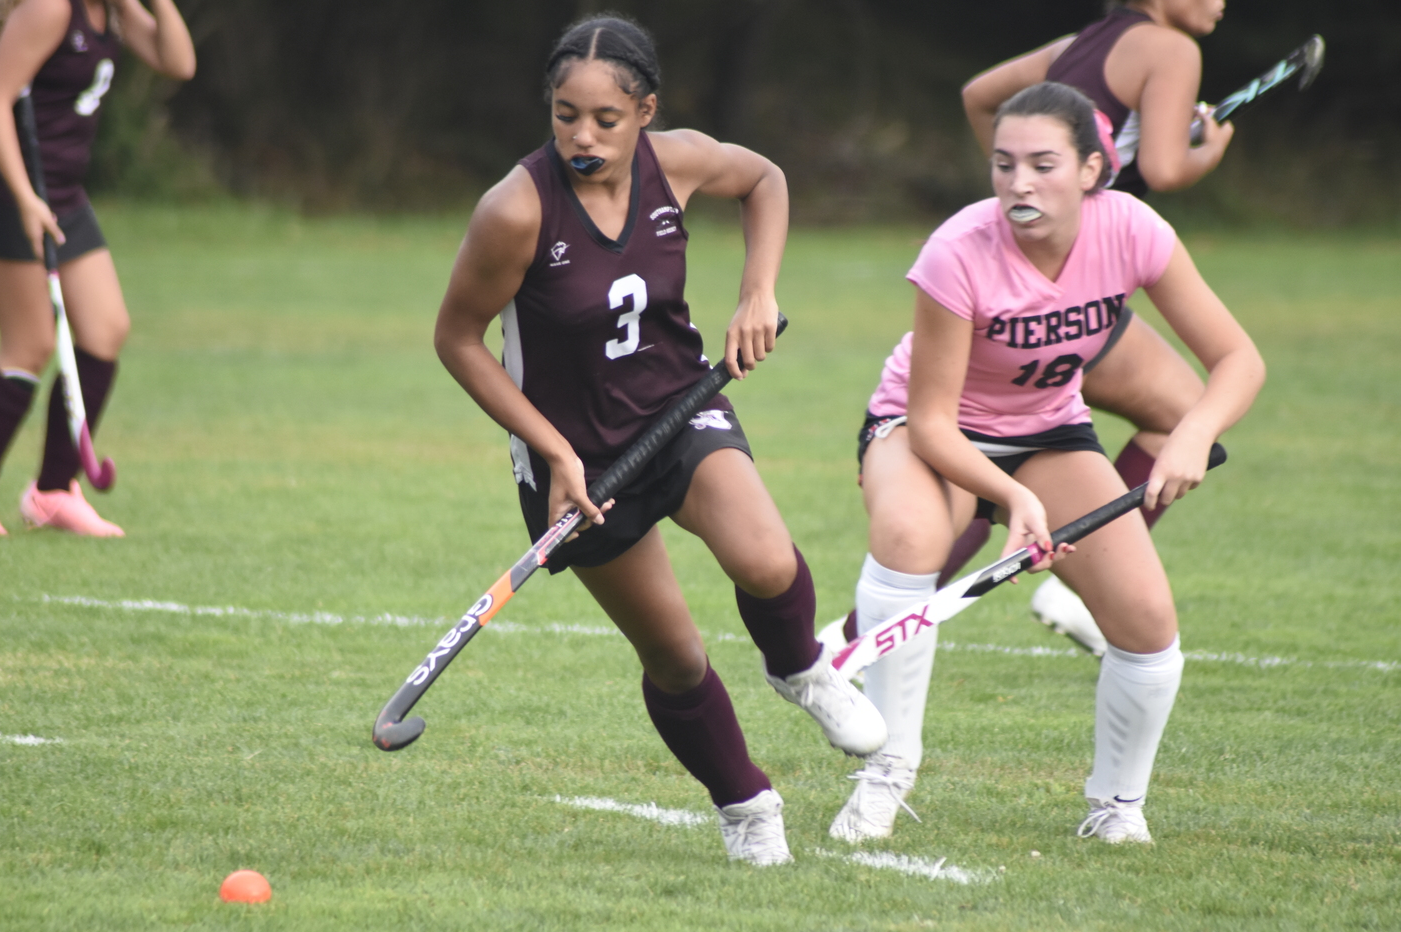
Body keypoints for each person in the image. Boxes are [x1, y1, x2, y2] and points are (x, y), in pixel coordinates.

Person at [433, 15, 886, 866]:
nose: (582, 136)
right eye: (565, 114)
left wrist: (758, 290)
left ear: (646, 111)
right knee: (675, 656)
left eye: (605, 118)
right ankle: (745, 803)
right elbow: (457, 339)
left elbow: (766, 180)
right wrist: (556, 455)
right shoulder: (516, 209)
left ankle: (800, 669)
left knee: (766, 560)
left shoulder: (675, 161)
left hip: (679, 410)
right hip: (577, 462)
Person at [830, 82, 1263, 846]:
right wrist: (1013, 501)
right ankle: (887, 775)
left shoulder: (1132, 229)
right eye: (1003, 165)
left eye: (1042, 164)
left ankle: (1116, 809)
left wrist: (1193, 431)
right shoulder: (957, 250)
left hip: (1048, 431)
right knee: (909, 535)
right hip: (931, 428)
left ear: (1093, 170)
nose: (1019, 184)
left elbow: (1237, 359)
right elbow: (931, 423)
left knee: (1147, 621)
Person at [938, 0, 1236, 653]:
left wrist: (1022, 188)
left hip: (1021, 281)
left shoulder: (1083, 42)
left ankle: (873, 624)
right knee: (1177, 415)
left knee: (996, 466)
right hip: (1066, 288)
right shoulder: (1172, 49)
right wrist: (1205, 153)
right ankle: (1070, 588)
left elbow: (979, 96)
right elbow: (1161, 167)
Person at [0, 0, 194, 537]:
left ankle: (53, 492)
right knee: (29, 344)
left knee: (104, 330)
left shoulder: (113, 10)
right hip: (5, 189)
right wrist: (26, 198)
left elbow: (178, 62)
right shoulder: (50, 8)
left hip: (63, 193)